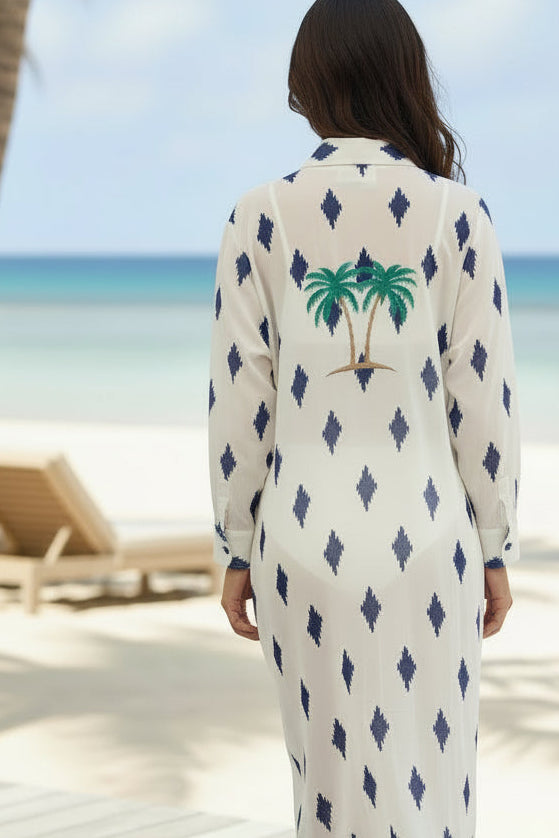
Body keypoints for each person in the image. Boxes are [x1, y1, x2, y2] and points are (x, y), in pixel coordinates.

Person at [207, 0, 521, 834]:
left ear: (304, 85)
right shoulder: (460, 216)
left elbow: (241, 402)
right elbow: (482, 401)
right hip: (428, 543)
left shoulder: (256, 216)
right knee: (434, 788)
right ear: (405, 78)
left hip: (302, 548)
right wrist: (493, 547)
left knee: (328, 789)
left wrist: (235, 545)